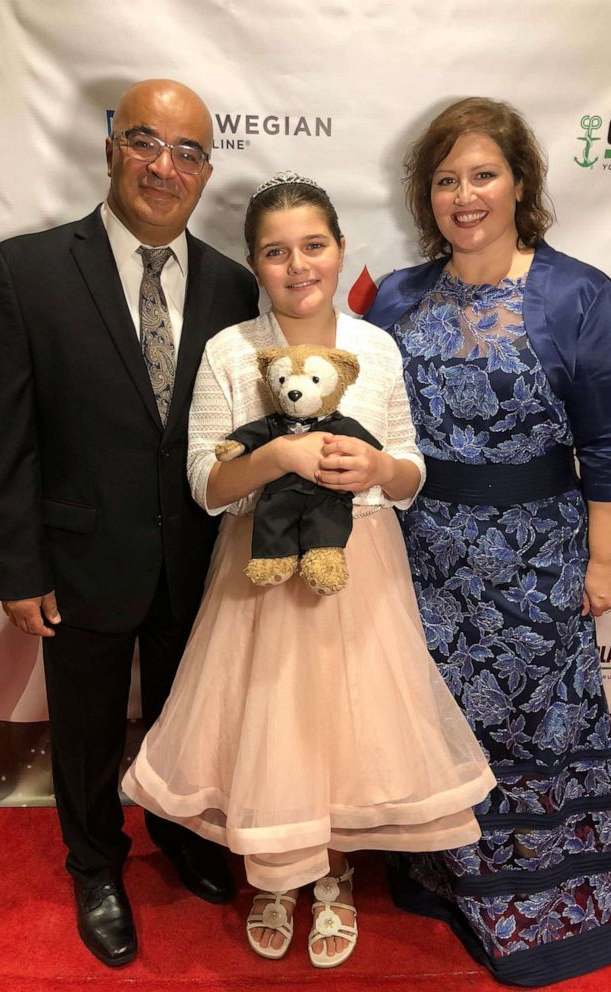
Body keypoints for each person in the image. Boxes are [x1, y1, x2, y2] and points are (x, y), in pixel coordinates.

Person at [122, 172, 496, 969]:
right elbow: (204, 481)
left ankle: (335, 876)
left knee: (349, 727)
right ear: (255, 264)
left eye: (313, 246)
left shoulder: (375, 348)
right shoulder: (229, 350)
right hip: (257, 570)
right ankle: (276, 874)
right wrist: (277, 456)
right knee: (274, 722)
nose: (299, 266)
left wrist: (376, 469)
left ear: (339, 250)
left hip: (360, 566)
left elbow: (412, 470)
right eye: (276, 251)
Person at [365, 97, 611, 986]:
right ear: (427, 196)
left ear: (520, 183)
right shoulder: (402, 295)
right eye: (447, 179)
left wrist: (604, 561)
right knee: (440, 721)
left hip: (538, 556)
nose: (465, 196)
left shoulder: (579, 293)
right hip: (419, 554)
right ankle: (445, 876)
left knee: (536, 726)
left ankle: (547, 906)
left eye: (483, 175)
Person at [0, 79, 259, 967]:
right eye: (146, 141)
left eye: (187, 152)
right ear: (111, 147)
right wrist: (19, 570)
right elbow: (5, 439)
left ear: (207, 170)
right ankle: (95, 863)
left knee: (186, 717)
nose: (163, 167)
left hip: (197, 562)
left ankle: (178, 836)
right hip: (80, 558)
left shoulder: (232, 284)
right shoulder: (26, 270)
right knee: (89, 731)